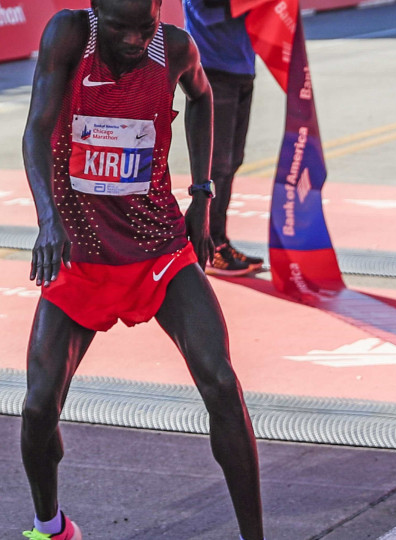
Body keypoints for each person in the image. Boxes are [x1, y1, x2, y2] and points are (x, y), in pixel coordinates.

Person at [20, 0, 264, 538]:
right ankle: (51, 525)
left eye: (143, 26)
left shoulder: (174, 47)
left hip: (157, 250)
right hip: (80, 254)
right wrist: (47, 220)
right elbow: (37, 130)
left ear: (160, 13)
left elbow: (201, 97)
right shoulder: (68, 36)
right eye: (118, 27)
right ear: (94, 9)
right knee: (39, 407)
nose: (133, 40)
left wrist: (202, 193)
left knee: (222, 383)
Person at [183, 0, 264, 276]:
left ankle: (219, 240)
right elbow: (204, 13)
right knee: (216, 166)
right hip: (213, 70)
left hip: (242, 67)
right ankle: (209, 245)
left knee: (232, 162)